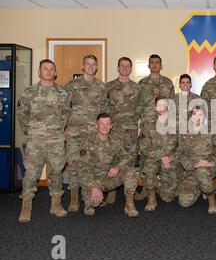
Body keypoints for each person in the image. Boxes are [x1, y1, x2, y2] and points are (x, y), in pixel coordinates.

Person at [17, 59, 70, 223]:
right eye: (44, 69)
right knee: (31, 173)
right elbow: (22, 115)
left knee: (56, 173)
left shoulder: (63, 93)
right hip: (36, 141)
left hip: (56, 141)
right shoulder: (29, 93)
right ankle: (26, 206)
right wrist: (32, 132)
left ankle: (56, 204)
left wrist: (56, 131)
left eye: (51, 69)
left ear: (55, 72)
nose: (48, 71)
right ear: (39, 72)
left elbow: (66, 115)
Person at [65, 54, 108, 212]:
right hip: (75, 135)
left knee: (90, 167)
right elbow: (64, 109)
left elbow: (105, 111)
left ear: (96, 67)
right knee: (74, 166)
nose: (90, 67)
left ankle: (89, 197)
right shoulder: (72, 85)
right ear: (83, 66)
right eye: (87, 64)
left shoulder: (101, 87)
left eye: (93, 64)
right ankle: (74, 200)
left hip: (92, 136)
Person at [78, 113, 139, 217]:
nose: (105, 127)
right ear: (96, 125)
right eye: (102, 124)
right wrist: (93, 187)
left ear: (111, 126)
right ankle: (91, 201)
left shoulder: (115, 141)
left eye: (107, 124)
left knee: (130, 172)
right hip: (93, 180)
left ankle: (129, 205)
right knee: (94, 203)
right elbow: (82, 169)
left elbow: (127, 157)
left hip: (108, 178)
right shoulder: (88, 142)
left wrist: (118, 167)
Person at [135, 54, 175, 201]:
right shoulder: (142, 83)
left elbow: (171, 105)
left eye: (157, 62)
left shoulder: (168, 83)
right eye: (151, 62)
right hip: (148, 125)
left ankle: (164, 187)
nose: (154, 65)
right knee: (147, 158)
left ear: (161, 65)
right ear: (148, 65)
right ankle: (146, 188)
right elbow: (138, 105)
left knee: (165, 153)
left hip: (164, 125)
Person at [176, 105, 216, 214]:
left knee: (202, 172)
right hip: (192, 168)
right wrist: (194, 164)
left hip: (209, 167)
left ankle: (211, 200)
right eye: (194, 114)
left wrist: (213, 162)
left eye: (200, 114)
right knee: (184, 201)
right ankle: (204, 186)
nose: (197, 117)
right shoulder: (184, 132)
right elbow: (181, 153)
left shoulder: (211, 130)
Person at [105, 57, 141, 206]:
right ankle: (112, 190)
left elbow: (140, 107)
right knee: (113, 159)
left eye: (128, 66)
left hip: (131, 131)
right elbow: (104, 108)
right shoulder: (109, 87)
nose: (125, 68)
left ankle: (130, 192)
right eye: (122, 66)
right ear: (118, 68)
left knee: (130, 160)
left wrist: (137, 125)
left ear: (131, 69)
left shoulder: (136, 87)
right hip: (114, 131)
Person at [139, 97, 178, 211]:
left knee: (168, 197)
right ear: (155, 108)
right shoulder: (148, 125)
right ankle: (151, 197)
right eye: (159, 105)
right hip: (154, 157)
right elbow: (144, 146)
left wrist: (170, 157)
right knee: (150, 168)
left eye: (164, 104)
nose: (162, 107)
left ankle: (160, 187)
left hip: (170, 159)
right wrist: (161, 156)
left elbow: (183, 147)